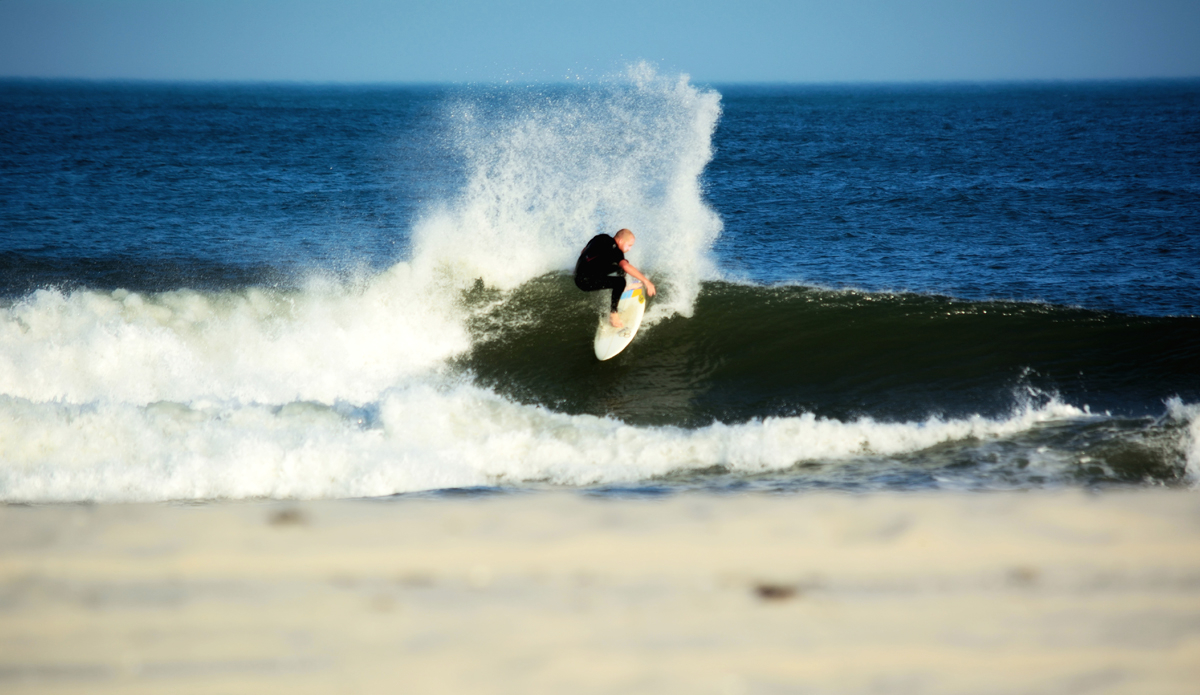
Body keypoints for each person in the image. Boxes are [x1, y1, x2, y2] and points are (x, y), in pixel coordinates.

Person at [574, 228, 656, 328]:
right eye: (629, 245)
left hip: (579, 273)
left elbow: (584, 251)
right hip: (584, 282)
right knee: (620, 281)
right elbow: (626, 267)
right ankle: (613, 313)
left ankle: (624, 288)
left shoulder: (601, 237)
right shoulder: (616, 251)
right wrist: (646, 281)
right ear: (621, 240)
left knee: (620, 264)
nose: (629, 249)